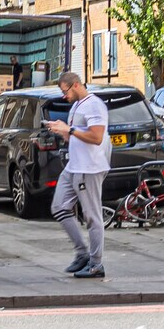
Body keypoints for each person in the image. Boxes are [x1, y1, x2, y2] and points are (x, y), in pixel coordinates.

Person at [47, 71, 110, 278]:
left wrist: (71, 130)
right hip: (74, 166)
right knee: (59, 207)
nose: (64, 96)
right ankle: (82, 253)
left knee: (92, 217)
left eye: (65, 91)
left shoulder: (94, 105)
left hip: (89, 168)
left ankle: (96, 263)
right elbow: (74, 135)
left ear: (75, 85)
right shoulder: (76, 105)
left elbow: (97, 137)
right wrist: (61, 131)